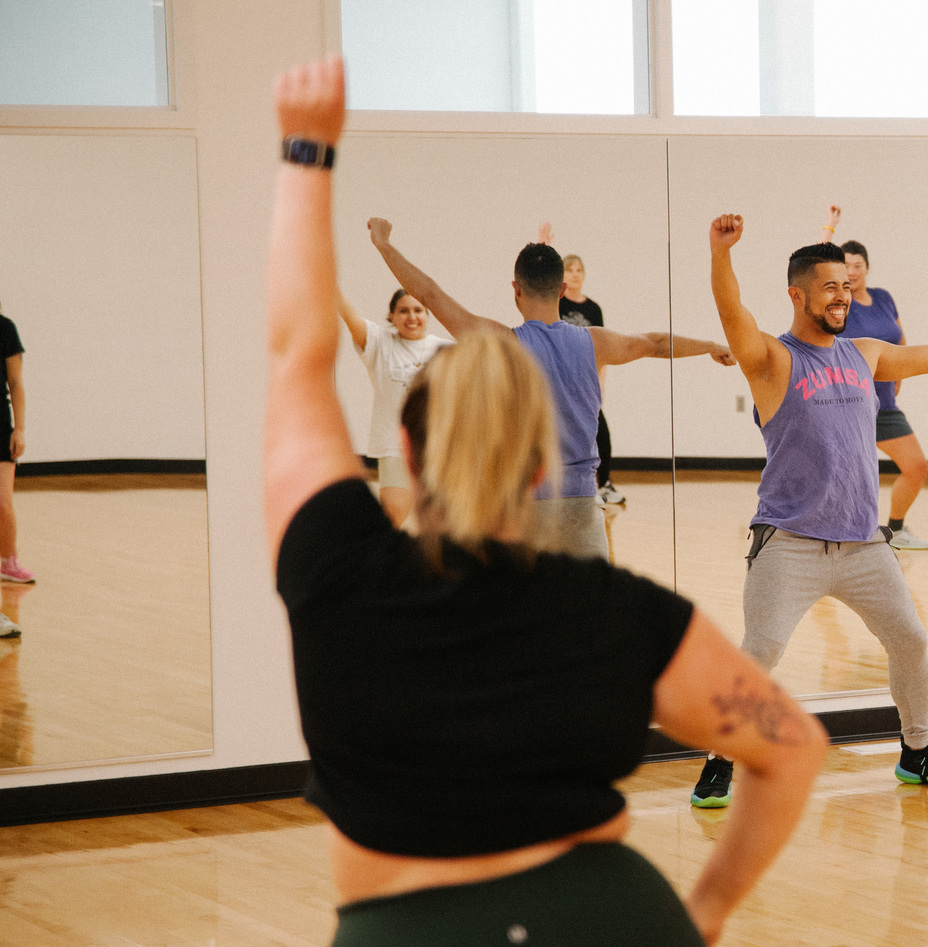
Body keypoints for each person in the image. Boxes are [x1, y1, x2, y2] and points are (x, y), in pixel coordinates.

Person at [263, 57, 825, 947]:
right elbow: (792, 746)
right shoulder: (613, 608)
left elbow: (299, 356)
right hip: (621, 913)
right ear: (530, 460)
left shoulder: (339, 574)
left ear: (410, 445)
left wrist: (312, 158)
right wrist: (708, 910)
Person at [691, 214, 928, 807]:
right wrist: (720, 253)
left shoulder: (865, 354)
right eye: (829, 287)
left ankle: (917, 751)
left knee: (910, 640)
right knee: (761, 652)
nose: (842, 296)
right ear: (797, 295)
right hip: (790, 540)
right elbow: (732, 314)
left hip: (862, 543)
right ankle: (719, 758)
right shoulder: (773, 359)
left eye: (846, 287)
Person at [367, 219, 734, 560]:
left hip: (524, 509)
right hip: (582, 507)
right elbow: (655, 343)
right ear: (562, 290)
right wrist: (710, 346)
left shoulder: (503, 343)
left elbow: (430, 295)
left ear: (516, 289)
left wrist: (382, 243)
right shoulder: (595, 342)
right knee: (589, 607)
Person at [820, 209, 928, 550]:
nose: (852, 271)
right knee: (845, 476)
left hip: (885, 405)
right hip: (848, 405)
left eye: (857, 265)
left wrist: (902, 371)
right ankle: (826, 535)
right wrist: (829, 228)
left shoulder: (883, 298)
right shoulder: (840, 302)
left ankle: (895, 529)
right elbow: (816, 265)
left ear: (866, 268)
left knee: (917, 466)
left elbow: (899, 336)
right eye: (845, 266)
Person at [336, 289, 454, 526]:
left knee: (440, 524)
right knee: (391, 518)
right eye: (404, 311)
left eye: (418, 310)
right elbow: (349, 316)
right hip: (394, 448)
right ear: (392, 315)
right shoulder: (380, 343)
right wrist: (327, 281)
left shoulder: (446, 349)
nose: (412, 317)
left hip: (436, 450)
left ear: (427, 314)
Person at [554, 251, 624, 508]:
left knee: (600, 433)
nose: (575, 275)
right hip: (560, 379)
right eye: (569, 270)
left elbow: (602, 348)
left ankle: (604, 484)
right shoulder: (556, 304)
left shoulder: (593, 309)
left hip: (585, 382)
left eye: (579, 270)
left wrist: (601, 382)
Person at [0, 305, 29, 586]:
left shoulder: (5, 328)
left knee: (2, 501)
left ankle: (8, 562)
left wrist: (19, 429)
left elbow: (16, 382)